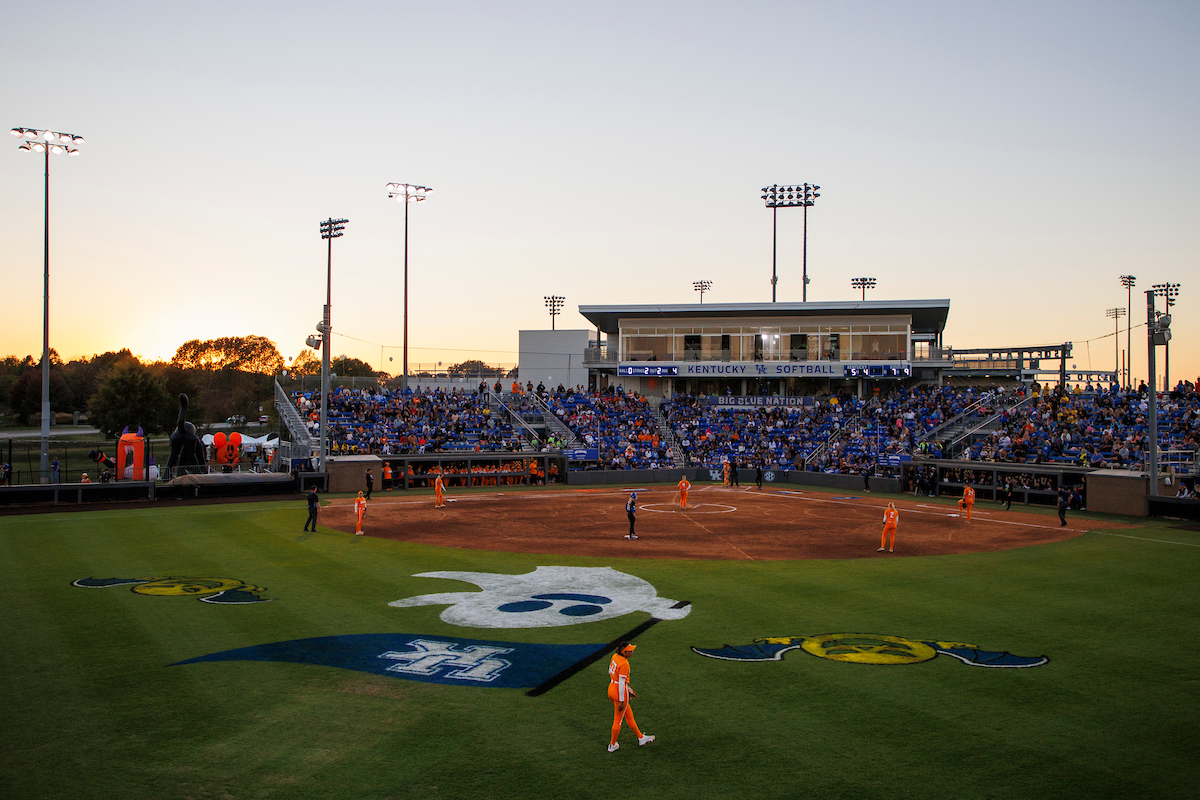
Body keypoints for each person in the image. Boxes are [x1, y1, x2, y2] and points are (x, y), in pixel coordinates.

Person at [607, 642, 654, 753]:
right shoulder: (625, 664)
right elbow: (622, 682)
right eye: (630, 651)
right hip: (619, 692)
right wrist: (623, 699)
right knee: (618, 720)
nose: (632, 652)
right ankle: (612, 745)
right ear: (624, 652)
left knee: (628, 714)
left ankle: (641, 738)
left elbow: (611, 672)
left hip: (611, 687)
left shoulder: (615, 656)